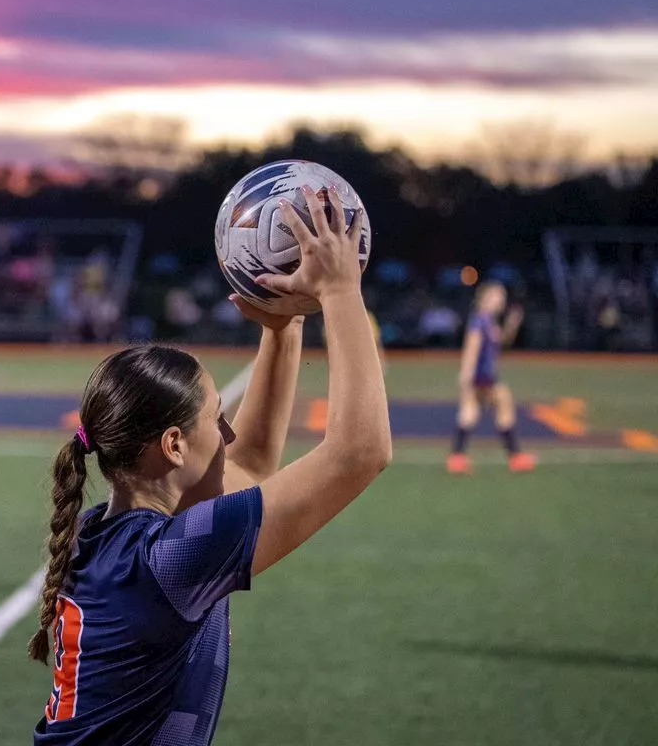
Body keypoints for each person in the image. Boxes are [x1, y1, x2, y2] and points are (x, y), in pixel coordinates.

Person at [30, 187, 392, 745]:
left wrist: (284, 326)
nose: (228, 433)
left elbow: (246, 463)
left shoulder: (104, 532)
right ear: (173, 446)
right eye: (217, 417)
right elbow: (359, 453)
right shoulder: (170, 560)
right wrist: (342, 292)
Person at [447, 281, 535, 474]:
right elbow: (472, 347)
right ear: (486, 298)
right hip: (481, 376)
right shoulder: (480, 321)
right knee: (501, 404)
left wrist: (512, 325)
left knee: (470, 413)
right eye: (498, 295)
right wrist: (466, 373)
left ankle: (457, 457)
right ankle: (515, 455)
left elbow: (500, 342)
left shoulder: (488, 321)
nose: (502, 299)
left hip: (485, 375)